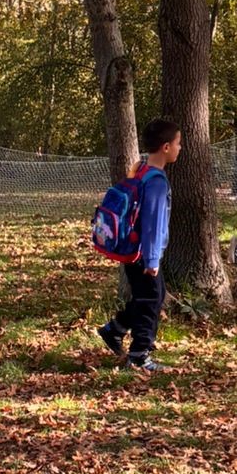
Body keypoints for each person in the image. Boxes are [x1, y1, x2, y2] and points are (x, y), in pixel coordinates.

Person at [95, 118, 181, 372]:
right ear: (165, 147)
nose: (180, 148)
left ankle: (114, 330)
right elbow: (153, 223)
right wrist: (152, 259)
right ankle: (139, 355)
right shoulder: (155, 180)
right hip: (144, 254)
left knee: (151, 296)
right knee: (150, 301)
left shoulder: (140, 170)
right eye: (178, 144)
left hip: (133, 250)